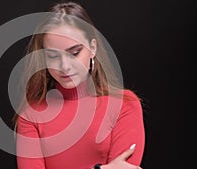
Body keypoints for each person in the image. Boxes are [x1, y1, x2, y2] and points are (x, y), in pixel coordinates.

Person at [13, 1, 145, 169]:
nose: (65, 66)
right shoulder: (31, 116)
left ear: (92, 48)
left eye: (74, 53)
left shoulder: (124, 105)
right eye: (53, 56)